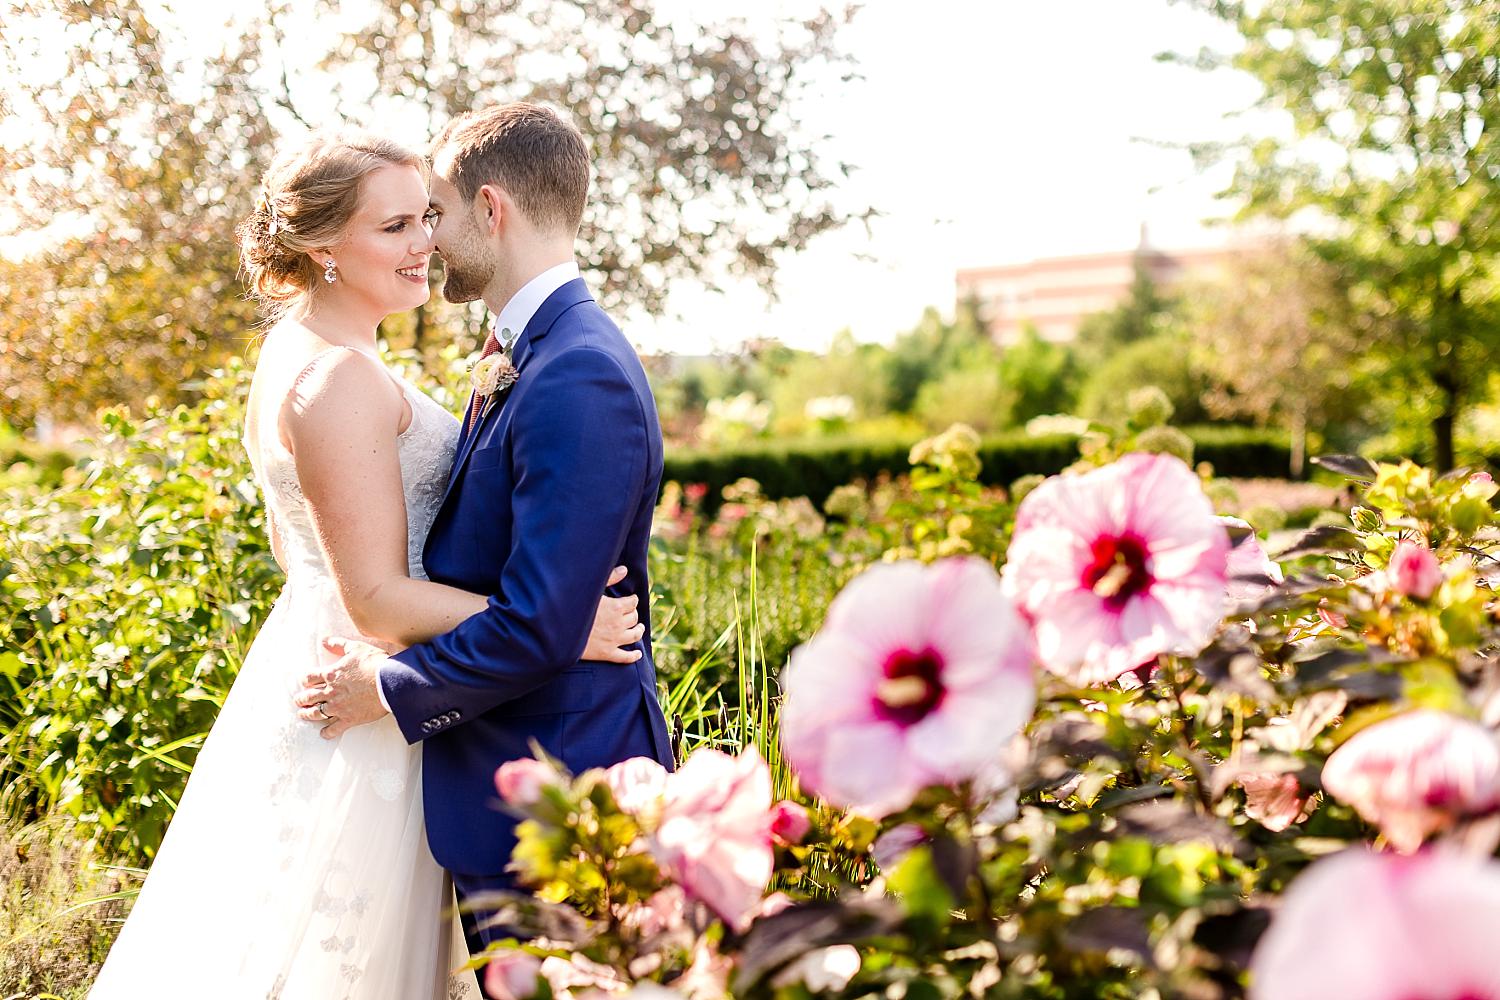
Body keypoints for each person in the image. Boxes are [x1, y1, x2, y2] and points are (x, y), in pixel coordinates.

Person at [89, 131, 642, 999]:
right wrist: (559, 624)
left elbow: (298, 549)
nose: (425, 241)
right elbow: (377, 597)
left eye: (426, 215)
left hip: (360, 669)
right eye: (394, 226)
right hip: (362, 694)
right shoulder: (335, 377)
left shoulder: (313, 352)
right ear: (323, 250)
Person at [292, 103, 675, 974]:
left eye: (437, 209)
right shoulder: (533, 352)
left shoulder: (575, 370)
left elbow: (544, 622)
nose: (429, 235)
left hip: (566, 795)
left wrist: (387, 689)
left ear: (490, 210)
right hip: (520, 786)